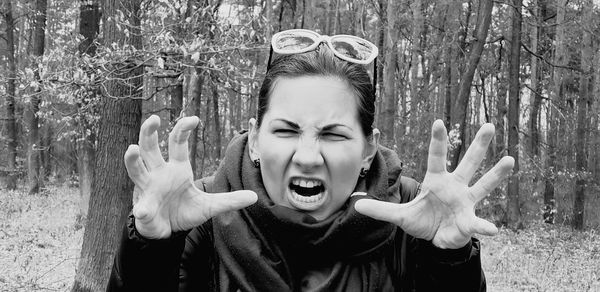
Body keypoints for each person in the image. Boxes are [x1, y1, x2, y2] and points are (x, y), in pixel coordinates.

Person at [108, 29, 514, 291]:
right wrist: (150, 248)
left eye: (333, 134)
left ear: (367, 150)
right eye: (286, 131)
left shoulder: (414, 217)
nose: (307, 156)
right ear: (254, 140)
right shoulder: (200, 216)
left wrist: (449, 260)